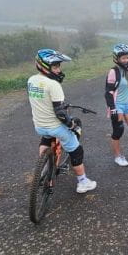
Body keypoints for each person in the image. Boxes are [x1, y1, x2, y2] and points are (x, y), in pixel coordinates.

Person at [27, 49, 97, 194]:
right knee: (77, 151)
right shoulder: (54, 85)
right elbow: (60, 113)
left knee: (46, 139)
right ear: (45, 66)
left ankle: (43, 168)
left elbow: (42, 101)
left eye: (59, 66)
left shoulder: (31, 80)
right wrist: (72, 125)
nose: (58, 70)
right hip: (55, 127)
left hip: (40, 125)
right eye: (55, 66)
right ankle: (83, 182)